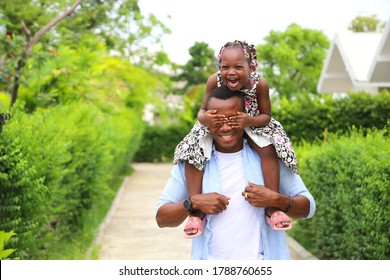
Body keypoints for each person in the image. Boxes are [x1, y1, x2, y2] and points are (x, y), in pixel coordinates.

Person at [156, 85, 315, 260]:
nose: (225, 127)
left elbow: (308, 207)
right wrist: (193, 203)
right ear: (207, 121)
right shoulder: (192, 161)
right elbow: (162, 217)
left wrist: (276, 199)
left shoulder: (268, 158)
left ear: (245, 118)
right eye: (217, 121)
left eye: (232, 120)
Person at [173, 40, 298, 238]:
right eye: (225, 67)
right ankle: (196, 212)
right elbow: (202, 111)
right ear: (219, 67)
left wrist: (249, 120)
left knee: (269, 150)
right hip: (217, 122)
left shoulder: (260, 84)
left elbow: (266, 116)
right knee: (193, 149)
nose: (231, 72)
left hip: (251, 121)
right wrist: (206, 119)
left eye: (238, 67)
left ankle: (272, 208)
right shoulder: (214, 81)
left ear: (251, 67)